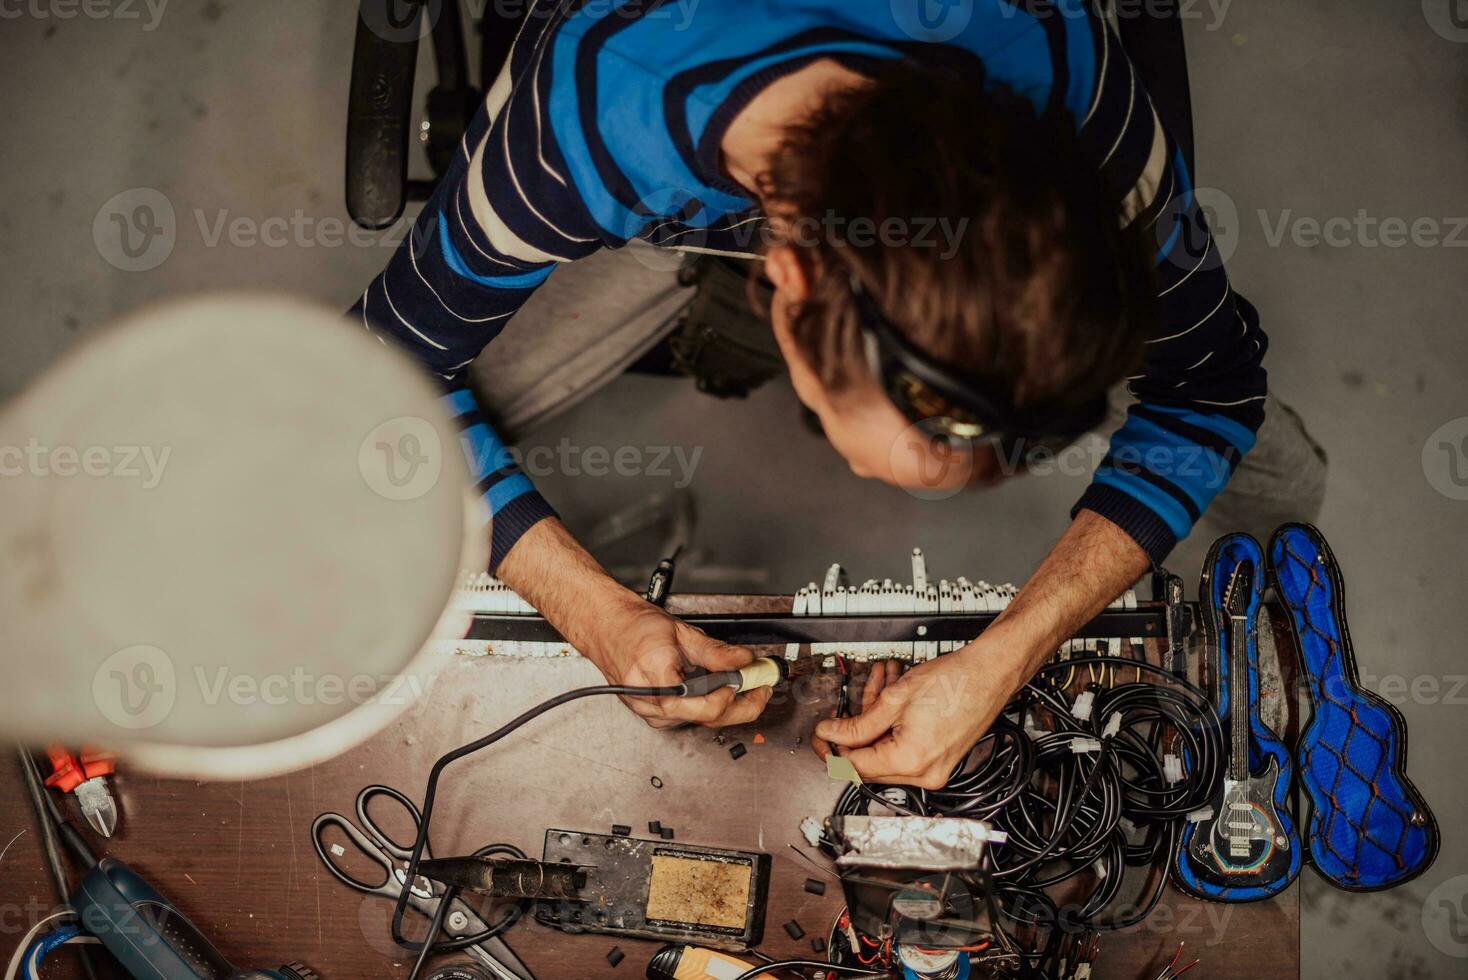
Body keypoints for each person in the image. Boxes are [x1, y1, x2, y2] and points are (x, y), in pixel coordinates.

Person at [354, 0, 1325, 789]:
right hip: (666, 179)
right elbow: (378, 377)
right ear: (784, 283)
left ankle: (1271, 613)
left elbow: (1209, 389)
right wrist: (591, 609)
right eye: (834, 424)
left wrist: (1006, 656)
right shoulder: (586, 121)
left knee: (1264, 459)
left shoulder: (1075, 100)